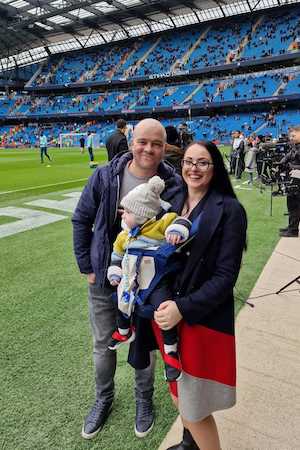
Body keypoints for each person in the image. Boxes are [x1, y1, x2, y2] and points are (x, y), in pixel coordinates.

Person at [72, 118, 182, 440]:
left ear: (165, 148)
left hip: (147, 284)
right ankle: (103, 398)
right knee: (103, 345)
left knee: (144, 345)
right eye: (143, 141)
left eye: (157, 144)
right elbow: (81, 219)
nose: (149, 149)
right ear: (132, 140)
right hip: (107, 279)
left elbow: (176, 231)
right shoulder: (105, 176)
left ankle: (143, 399)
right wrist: (87, 267)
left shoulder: (172, 185)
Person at [153, 141, 247, 450]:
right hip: (167, 312)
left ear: (215, 167)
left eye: (203, 163)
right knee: (179, 394)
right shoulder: (173, 199)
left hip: (199, 318)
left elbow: (225, 278)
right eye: (189, 161)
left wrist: (182, 308)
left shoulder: (230, 209)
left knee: (195, 409)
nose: (194, 168)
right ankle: (188, 444)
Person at [107, 175, 191, 382]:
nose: (123, 215)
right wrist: (115, 272)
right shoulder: (124, 236)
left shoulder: (159, 224)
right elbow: (116, 258)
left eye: (127, 212)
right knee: (120, 302)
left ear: (142, 214)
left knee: (163, 312)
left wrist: (175, 232)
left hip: (155, 282)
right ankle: (124, 331)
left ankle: (171, 353)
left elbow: (181, 220)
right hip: (129, 281)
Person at [278, 126, 300, 237]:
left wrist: (291, 166)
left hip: (298, 181)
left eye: (293, 135)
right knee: (291, 203)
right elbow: (288, 157)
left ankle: (293, 230)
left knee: (295, 205)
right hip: (294, 179)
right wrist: (281, 164)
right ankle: (291, 227)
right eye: (290, 136)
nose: (291, 138)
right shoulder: (295, 146)